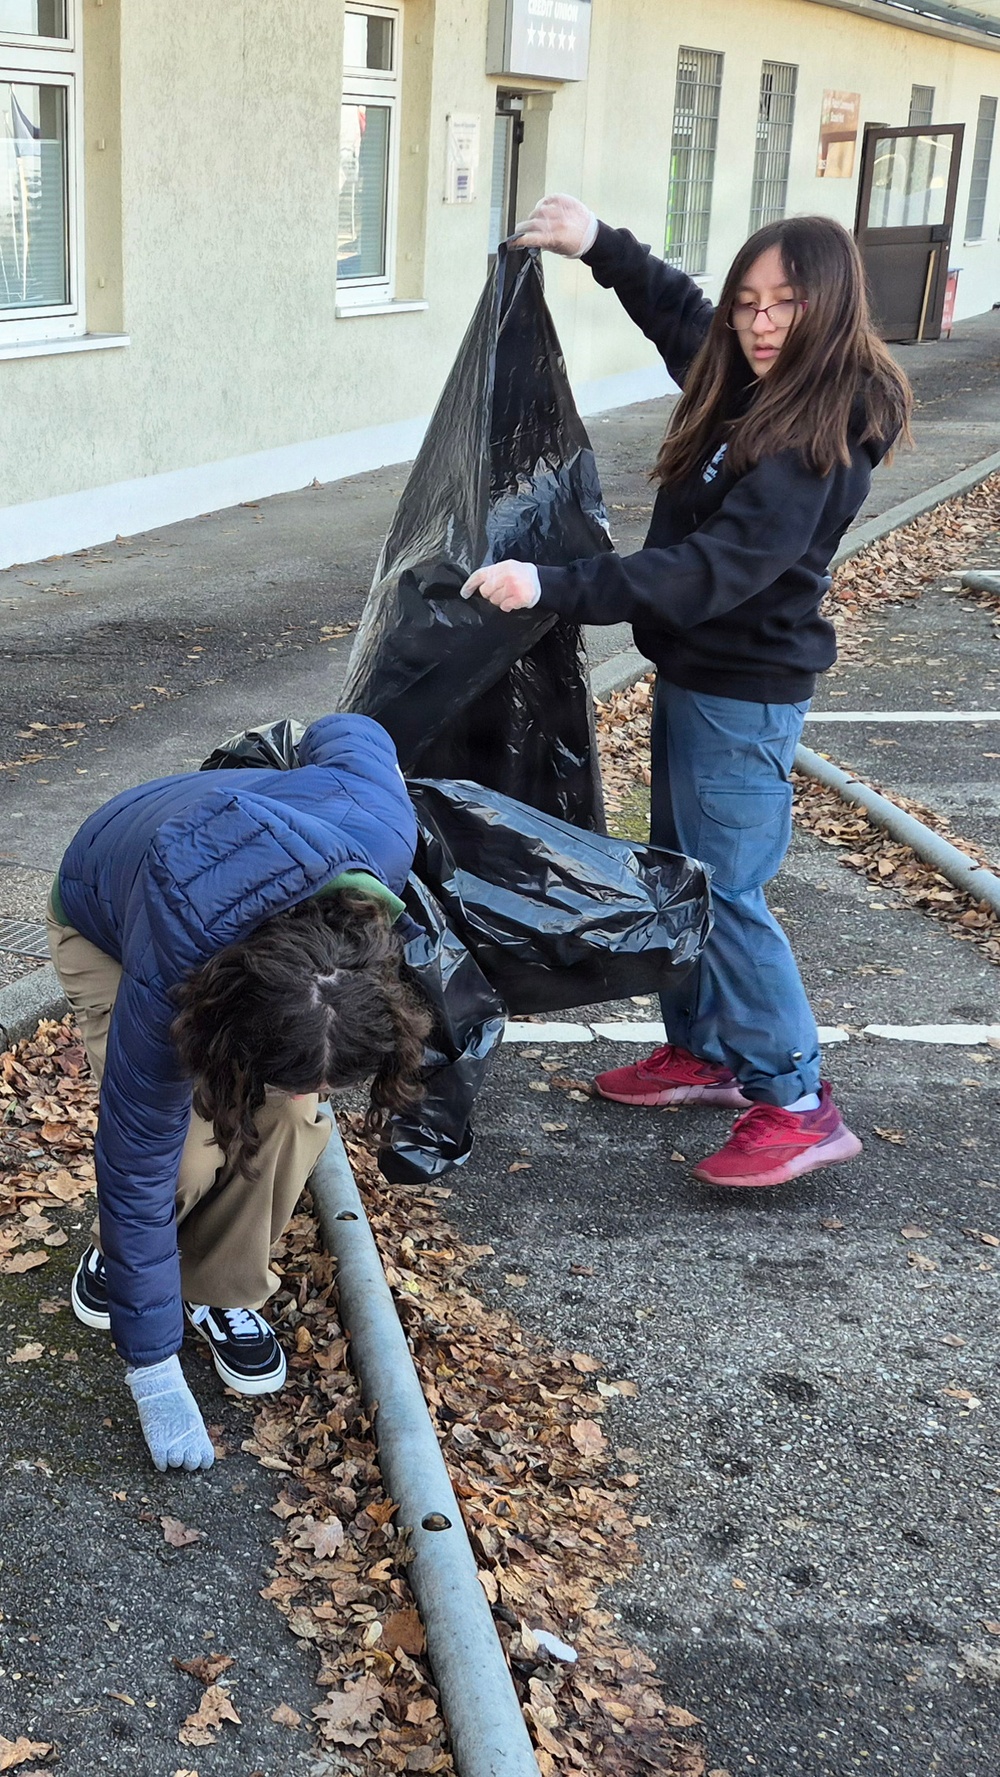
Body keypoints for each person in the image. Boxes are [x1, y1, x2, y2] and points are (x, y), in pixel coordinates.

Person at [463, 196, 912, 1191]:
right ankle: (705, 1051)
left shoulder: (815, 439)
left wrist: (555, 587)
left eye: (785, 304)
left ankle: (796, 1100)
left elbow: (710, 568)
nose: (757, 322)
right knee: (682, 874)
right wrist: (597, 244)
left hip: (744, 693)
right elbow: (680, 314)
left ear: (828, 310)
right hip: (697, 676)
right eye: (748, 302)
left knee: (727, 894)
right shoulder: (749, 385)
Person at [47, 714, 430, 1472]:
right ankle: (123, 1262)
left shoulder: (382, 835)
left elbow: (354, 729)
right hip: (105, 908)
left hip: (242, 840)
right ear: (231, 1029)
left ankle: (219, 1286)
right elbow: (135, 1160)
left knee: (292, 1121)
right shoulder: (171, 976)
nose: (323, 1088)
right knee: (183, 1155)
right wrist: (153, 1371)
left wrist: (295, 747)